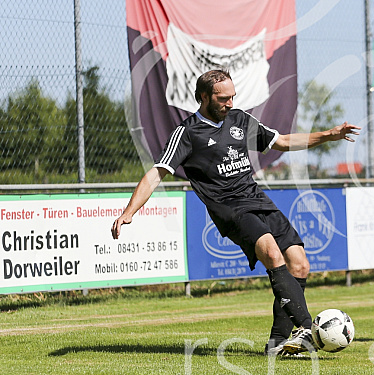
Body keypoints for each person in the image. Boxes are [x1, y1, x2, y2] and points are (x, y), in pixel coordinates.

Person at [112, 69, 360, 356]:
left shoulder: (240, 119)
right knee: (271, 252)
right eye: (223, 98)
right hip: (229, 209)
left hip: (257, 199)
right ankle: (305, 326)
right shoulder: (187, 133)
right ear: (204, 97)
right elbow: (157, 173)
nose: (229, 103)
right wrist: (129, 211)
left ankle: (277, 342)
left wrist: (328, 135)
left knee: (300, 264)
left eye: (232, 97)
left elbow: (281, 142)